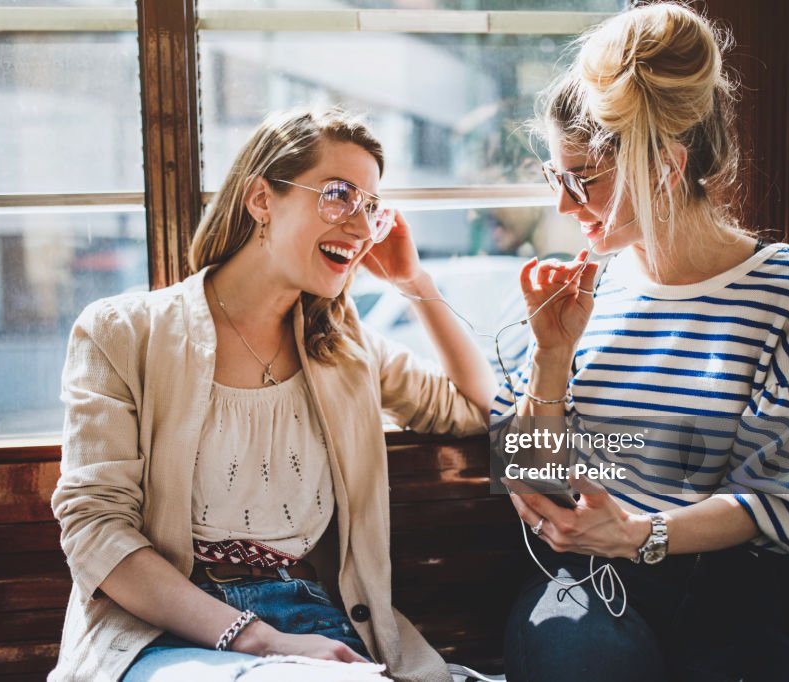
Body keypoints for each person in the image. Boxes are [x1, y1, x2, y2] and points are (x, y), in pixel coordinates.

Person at [49, 107, 496, 682]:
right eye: (339, 195)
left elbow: (478, 409)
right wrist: (258, 641)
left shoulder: (344, 347)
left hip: (313, 623)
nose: (361, 229)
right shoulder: (122, 331)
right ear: (262, 200)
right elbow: (94, 529)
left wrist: (416, 284)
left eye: (371, 208)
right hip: (161, 631)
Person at [493, 3, 789, 680]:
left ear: (664, 166)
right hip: (584, 589)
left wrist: (641, 534)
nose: (565, 208)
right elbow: (527, 476)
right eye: (556, 176)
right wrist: (549, 358)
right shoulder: (583, 296)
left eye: (585, 180)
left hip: (730, 596)